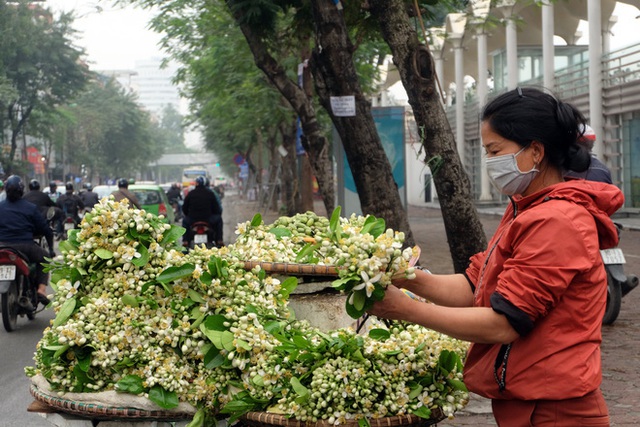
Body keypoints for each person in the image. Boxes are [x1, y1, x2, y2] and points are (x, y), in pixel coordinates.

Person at [368, 87, 624, 426]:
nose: (489, 162)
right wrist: (404, 276)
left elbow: (504, 323)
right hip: (528, 403)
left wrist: (406, 309)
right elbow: (475, 285)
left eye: (495, 150)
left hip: (556, 410)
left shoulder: (557, 221)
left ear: (535, 151)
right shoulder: (526, 207)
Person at [0, 176, 55, 307]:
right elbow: (46, 229)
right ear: (21, 190)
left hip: (2, 247)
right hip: (25, 247)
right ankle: (41, 290)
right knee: (45, 257)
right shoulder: (30, 208)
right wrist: (51, 249)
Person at [182, 176, 224, 247]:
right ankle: (219, 240)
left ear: (196, 183)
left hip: (193, 219)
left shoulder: (191, 193)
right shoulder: (210, 194)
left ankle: (185, 241)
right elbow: (216, 209)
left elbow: (184, 208)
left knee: (184, 221)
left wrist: (188, 215)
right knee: (219, 220)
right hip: (208, 219)